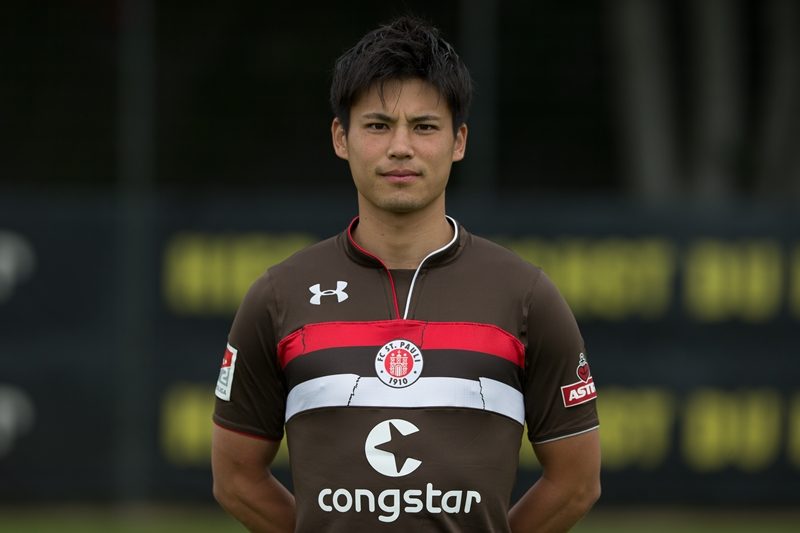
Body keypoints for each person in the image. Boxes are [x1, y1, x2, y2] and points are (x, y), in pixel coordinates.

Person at [211, 15, 600, 532]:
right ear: (341, 138)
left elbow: (576, 483)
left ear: (458, 141)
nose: (401, 147)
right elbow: (235, 478)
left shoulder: (524, 294)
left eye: (424, 126)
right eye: (378, 125)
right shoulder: (280, 294)